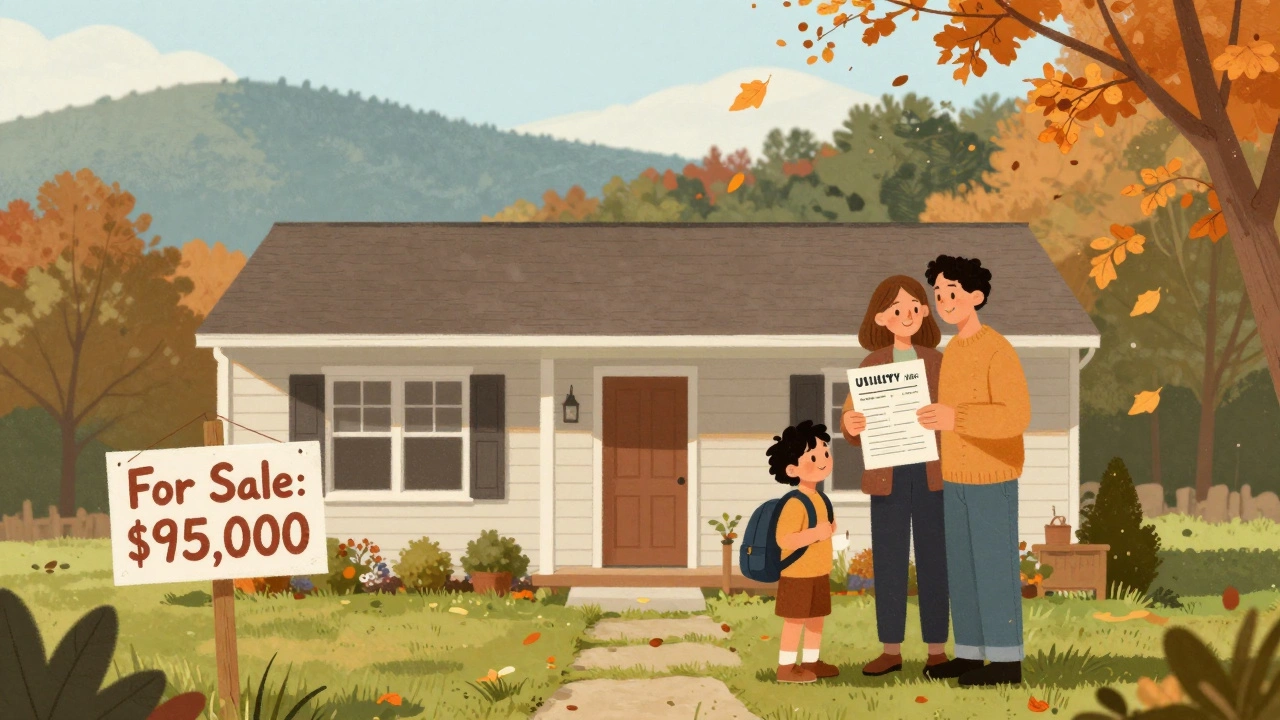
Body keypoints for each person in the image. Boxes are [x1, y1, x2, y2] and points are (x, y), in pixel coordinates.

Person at [916, 255, 1032, 687]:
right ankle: (969, 653)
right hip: (955, 479)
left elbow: (1015, 415)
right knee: (961, 568)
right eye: (939, 294)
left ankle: (1005, 661)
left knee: (993, 566)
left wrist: (955, 419)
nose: (944, 301)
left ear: (976, 297)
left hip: (993, 478)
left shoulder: (996, 348)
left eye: (953, 293)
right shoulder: (950, 354)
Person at [840, 275, 951, 678]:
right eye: (896, 309)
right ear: (881, 318)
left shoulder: (939, 361)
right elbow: (853, 424)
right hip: (886, 473)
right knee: (888, 562)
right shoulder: (870, 365)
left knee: (934, 561)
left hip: (932, 473)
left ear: (924, 312)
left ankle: (937, 650)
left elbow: (954, 414)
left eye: (913, 307)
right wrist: (851, 423)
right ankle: (891, 649)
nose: (905, 315)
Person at [766, 420, 840, 683]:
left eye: (825, 453)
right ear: (792, 468)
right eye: (814, 456)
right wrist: (817, 534)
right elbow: (784, 539)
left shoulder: (821, 498)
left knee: (816, 619)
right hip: (797, 574)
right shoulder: (795, 503)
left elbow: (824, 529)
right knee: (795, 620)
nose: (823, 460)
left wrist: (829, 530)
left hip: (818, 572)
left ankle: (811, 660)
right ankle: (786, 667)